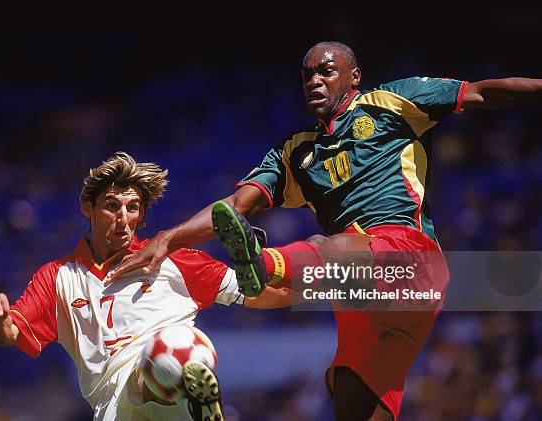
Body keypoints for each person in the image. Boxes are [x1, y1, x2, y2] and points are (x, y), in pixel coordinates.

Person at [105, 42, 542, 420]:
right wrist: (167, 237)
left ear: (354, 77)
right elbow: (236, 207)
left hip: (409, 259)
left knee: (325, 248)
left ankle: (263, 262)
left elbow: (483, 93)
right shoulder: (294, 152)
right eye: (307, 74)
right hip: (360, 297)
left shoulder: (392, 102)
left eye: (325, 71)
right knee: (352, 401)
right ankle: (265, 268)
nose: (314, 80)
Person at [0, 152, 289, 421]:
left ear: (141, 215)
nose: (122, 218)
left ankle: (187, 390)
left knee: (172, 346)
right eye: (112, 206)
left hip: (169, 391)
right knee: (160, 363)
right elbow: (9, 336)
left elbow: (257, 294)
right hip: (112, 408)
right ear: (88, 208)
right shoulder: (58, 277)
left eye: (132, 208)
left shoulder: (174, 259)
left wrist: (329, 292)